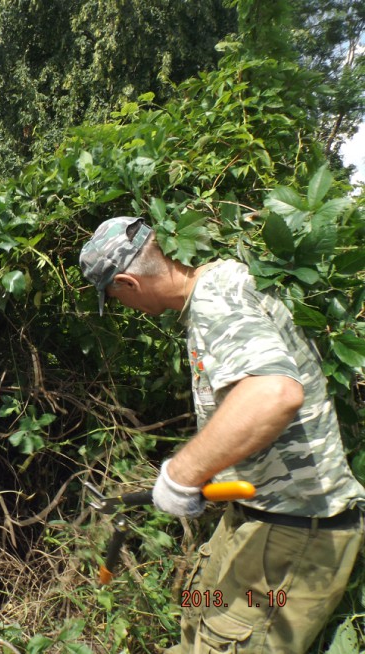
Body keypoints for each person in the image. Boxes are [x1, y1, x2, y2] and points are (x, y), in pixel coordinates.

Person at [79, 216, 365, 653]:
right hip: (255, 515)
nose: (123, 307)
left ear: (127, 282)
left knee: (223, 643)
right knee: (197, 619)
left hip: (295, 529)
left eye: (115, 297)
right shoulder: (216, 288)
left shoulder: (216, 301)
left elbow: (272, 393)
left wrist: (182, 472)